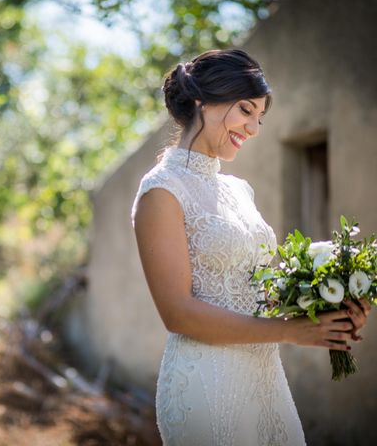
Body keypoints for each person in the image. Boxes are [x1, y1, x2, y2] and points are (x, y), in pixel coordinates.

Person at [131, 49, 371, 445]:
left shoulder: (239, 190)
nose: (254, 127)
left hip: (264, 378)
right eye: (245, 110)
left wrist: (329, 310)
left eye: (260, 116)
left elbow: (257, 290)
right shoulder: (162, 191)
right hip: (205, 383)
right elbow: (177, 314)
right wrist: (293, 333)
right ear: (201, 102)